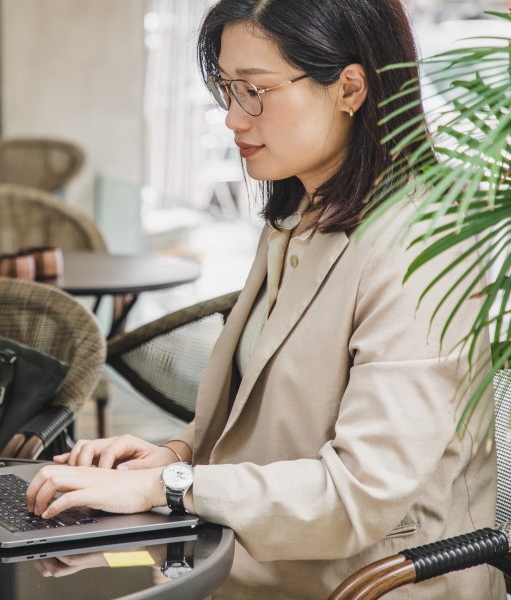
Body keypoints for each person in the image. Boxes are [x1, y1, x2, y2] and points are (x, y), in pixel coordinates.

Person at [25, 1, 503, 598]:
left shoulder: (419, 248)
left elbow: (357, 495)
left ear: (349, 88)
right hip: (246, 553)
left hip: (362, 579)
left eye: (256, 90)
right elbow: (257, 418)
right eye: (228, 89)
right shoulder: (299, 212)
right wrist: (169, 454)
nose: (233, 118)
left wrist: (167, 487)